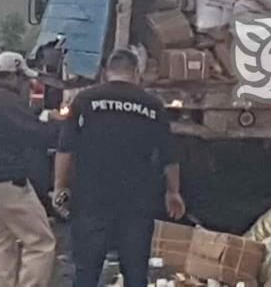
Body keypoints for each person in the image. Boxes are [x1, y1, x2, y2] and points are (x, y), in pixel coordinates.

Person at [53, 48, 186, 287]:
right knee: (135, 273)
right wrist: (173, 192)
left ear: (106, 73)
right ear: (136, 73)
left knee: (86, 270)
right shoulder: (153, 106)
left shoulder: (85, 100)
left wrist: (60, 189)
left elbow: (65, 149)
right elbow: (168, 156)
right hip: (136, 203)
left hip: (91, 199)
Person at [0, 51, 61, 287]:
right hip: (7, 182)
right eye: (24, 80)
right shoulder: (6, 101)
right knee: (40, 242)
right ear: (14, 76)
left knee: (1, 247)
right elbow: (37, 135)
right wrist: (60, 124)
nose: (26, 85)